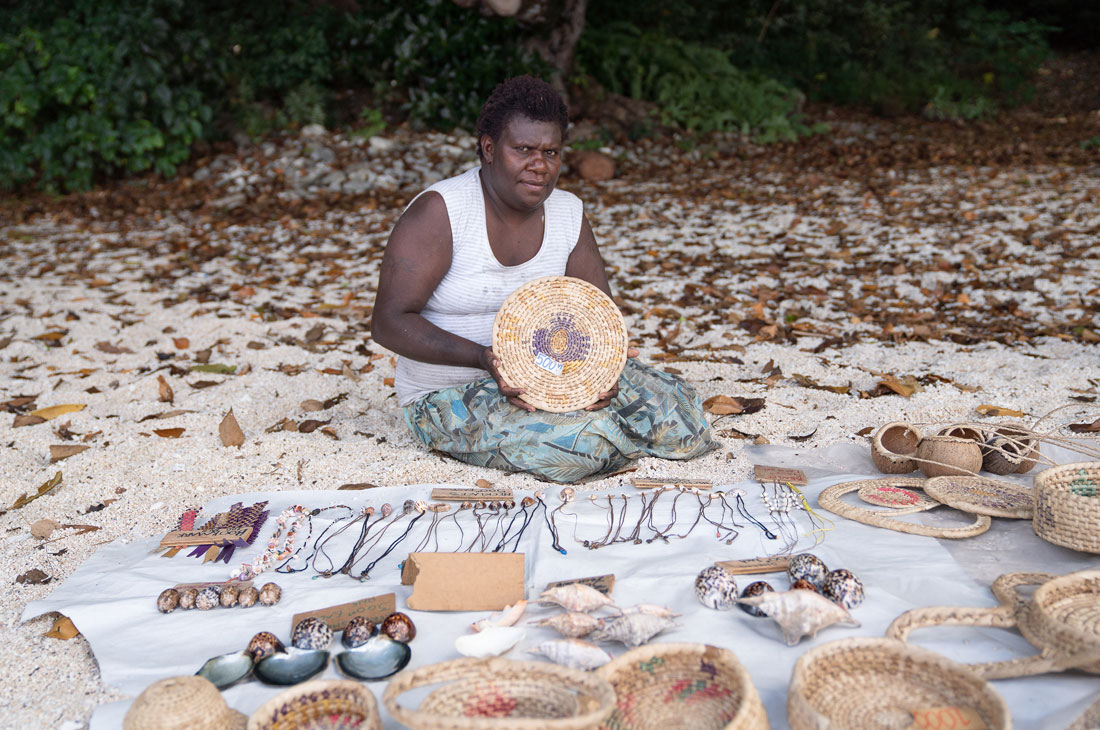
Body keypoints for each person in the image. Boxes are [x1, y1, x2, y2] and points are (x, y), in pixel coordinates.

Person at [371, 75, 716, 483]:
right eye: (523, 150)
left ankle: (603, 433)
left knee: (686, 420)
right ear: (488, 149)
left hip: (557, 381)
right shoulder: (440, 211)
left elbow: (598, 318)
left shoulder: (569, 212)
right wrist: (486, 359)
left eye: (551, 152)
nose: (540, 165)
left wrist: (602, 375)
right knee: (579, 448)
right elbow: (388, 322)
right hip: (449, 393)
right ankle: (602, 438)